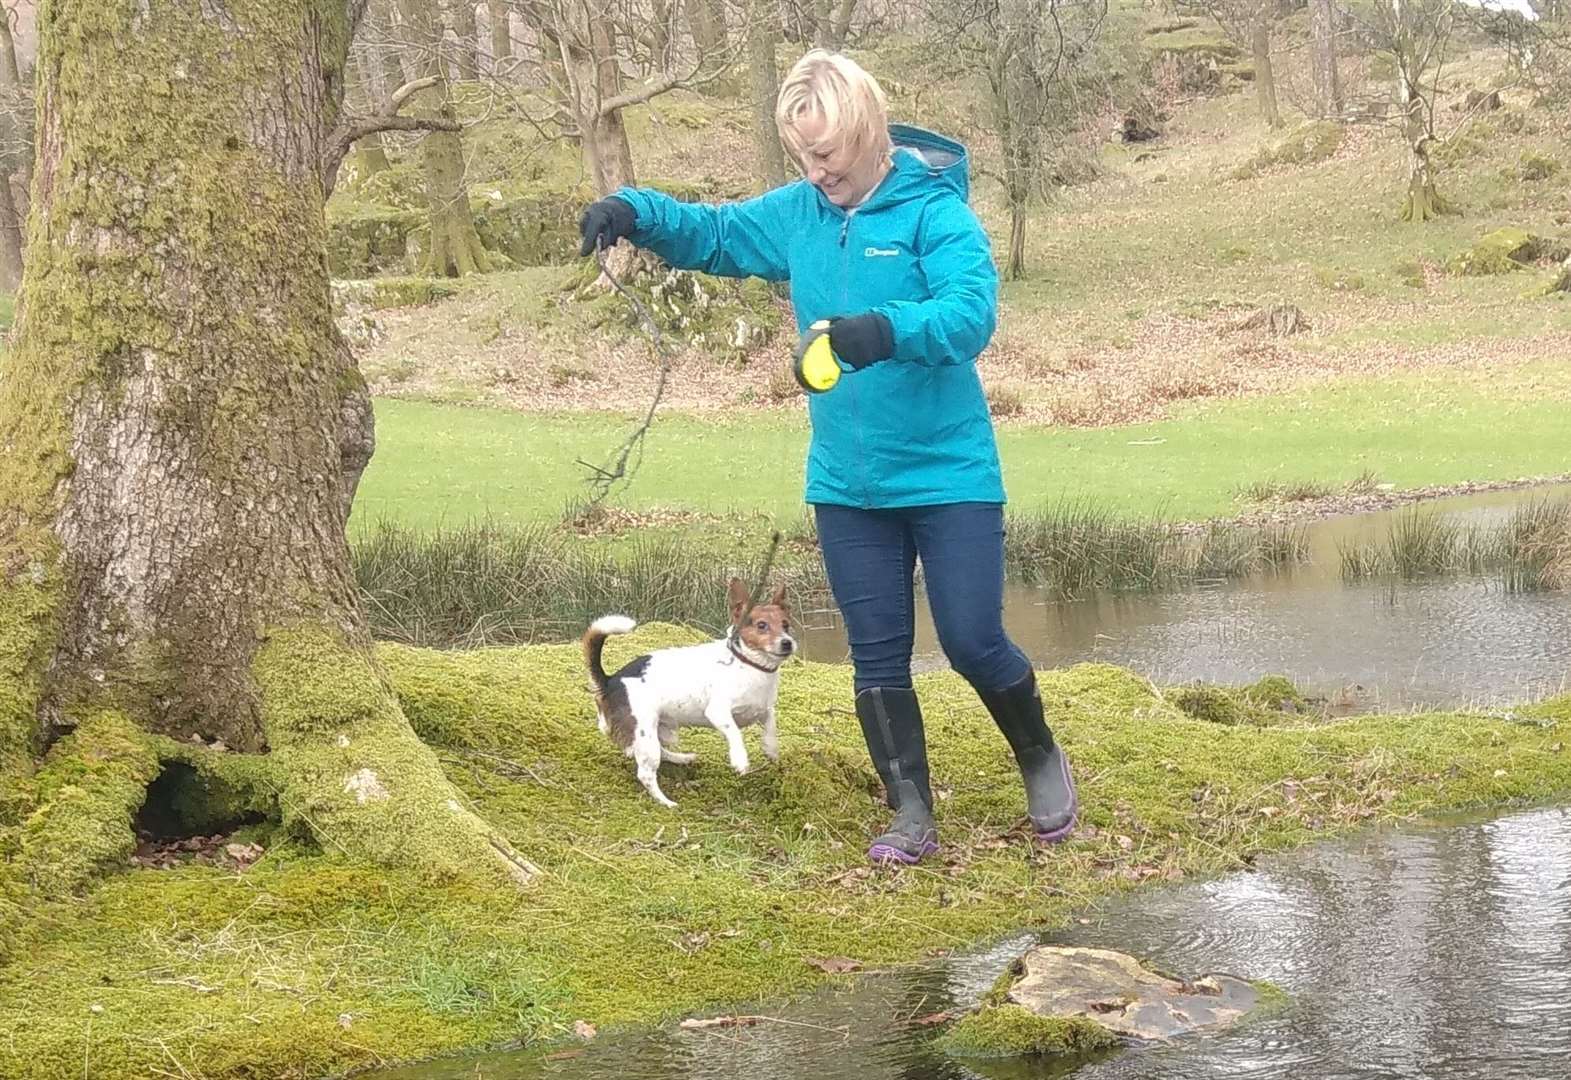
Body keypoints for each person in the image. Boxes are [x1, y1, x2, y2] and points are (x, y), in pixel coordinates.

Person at [577, 49, 1076, 865]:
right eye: (802, 156)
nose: (815, 172)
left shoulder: (933, 214)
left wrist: (881, 330)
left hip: (949, 474)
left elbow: (969, 314)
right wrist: (631, 210)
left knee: (971, 639)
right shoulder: (801, 213)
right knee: (876, 654)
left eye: (827, 155)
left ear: (869, 134)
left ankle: (1038, 756)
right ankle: (910, 811)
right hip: (847, 483)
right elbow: (715, 232)